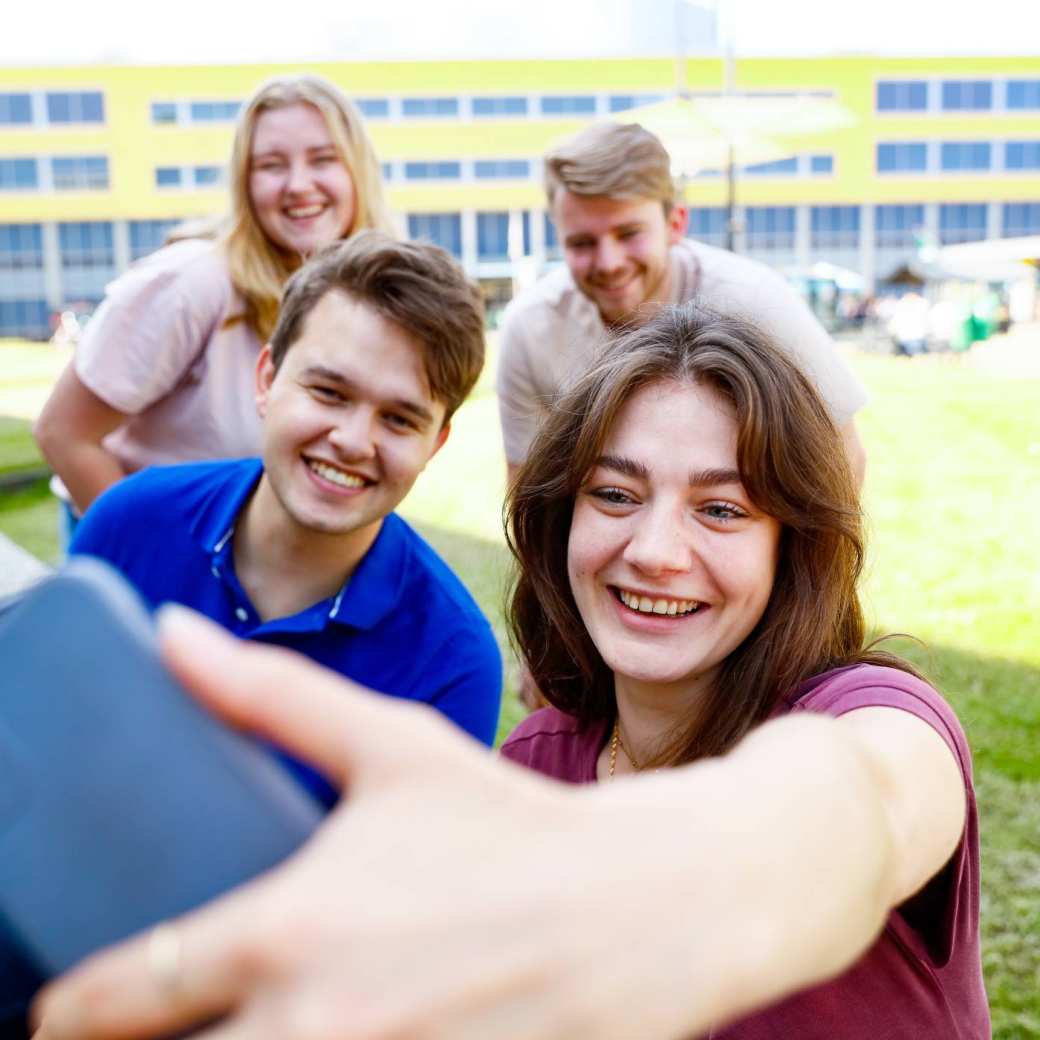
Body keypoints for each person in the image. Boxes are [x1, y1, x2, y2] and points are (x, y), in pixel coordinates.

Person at [31, 305, 986, 1040]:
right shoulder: (528, 766)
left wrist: (706, 874)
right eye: (614, 494)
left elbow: (868, 802)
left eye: (722, 510)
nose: (654, 550)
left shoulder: (876, 712)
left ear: (796, 544)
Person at [68, 232, 502, 807]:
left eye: (399, 420)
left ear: (435, 443)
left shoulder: (452, 662)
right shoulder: (129, 520)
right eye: (328, 392)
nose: (352, 441)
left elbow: (403, 884)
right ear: (267, 378)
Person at [33, 73, 390, 543]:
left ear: (357, 171)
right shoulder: (191, 283)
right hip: (146, 545)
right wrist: (160, 564)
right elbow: (63, 432)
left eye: (323, 159)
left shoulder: (359, 300)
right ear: (244, 181)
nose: (299, 185)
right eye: (271, 165)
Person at [497, 121, 869, 490]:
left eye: (628, 234)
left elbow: (843, 456)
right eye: (582, 243)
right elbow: (527, 486)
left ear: (675, 223)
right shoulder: (530, 328)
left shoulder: (755, 301)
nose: (608, 262)